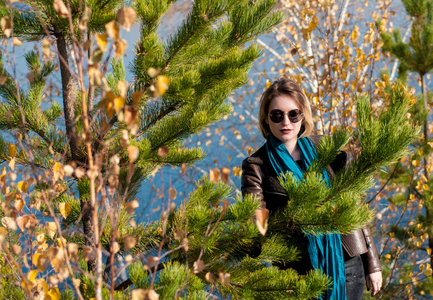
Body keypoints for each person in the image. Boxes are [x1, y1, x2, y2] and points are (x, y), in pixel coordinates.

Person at [241, 78, 382, 299]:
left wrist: (372, 264)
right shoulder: (256, 165)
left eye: (293, 114)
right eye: (277, 115)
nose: (285, 122)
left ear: (302, 115)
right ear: (266, 119)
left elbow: (355, 208)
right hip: (297, 274)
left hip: (347, 264)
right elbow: (255, 219)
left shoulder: (325, 149)